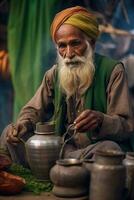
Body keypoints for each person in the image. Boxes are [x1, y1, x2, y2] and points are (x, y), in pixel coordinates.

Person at [0, 6, 134, 166]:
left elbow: (127, 125)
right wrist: (23, 124)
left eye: (75, 43)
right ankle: (62, 166)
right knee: (9, 134)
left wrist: (101, 120)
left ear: (91, 42)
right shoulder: (54, 74)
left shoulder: (113, 71)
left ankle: (56, 166)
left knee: (109, 149)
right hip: (61, 148)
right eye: (62, 46)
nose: (69, 54)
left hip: (92, 149)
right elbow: (32, 110)